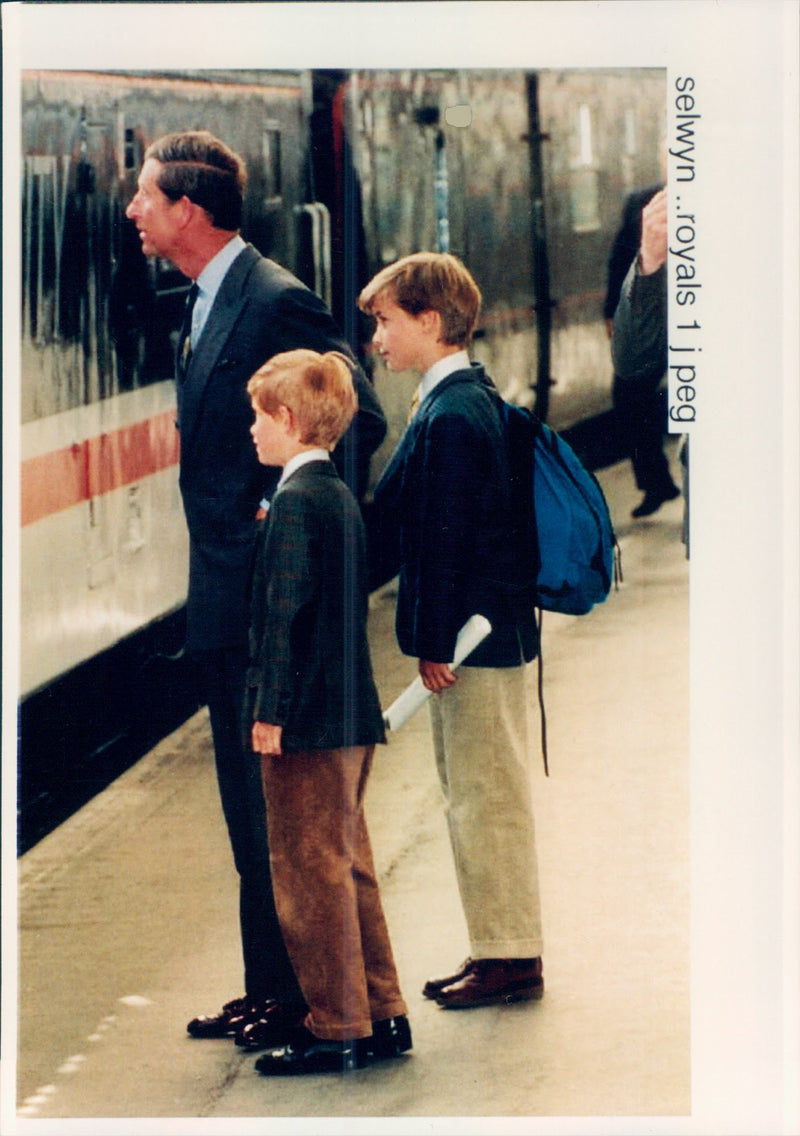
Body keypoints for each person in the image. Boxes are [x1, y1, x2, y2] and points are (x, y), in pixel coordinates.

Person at [125, 131, 387, 1046]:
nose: (133, 212)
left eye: (145, 197)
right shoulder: (206, 301)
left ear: (187, 210)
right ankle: (268, 987)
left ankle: (302, 1000)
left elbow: (362, 413)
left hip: (257, 594)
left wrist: (286, 510)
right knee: (249, 813)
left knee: (275, 816)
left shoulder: (274, 300)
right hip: (224, 599)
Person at [358, 252, 545, 1010]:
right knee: (474, 793)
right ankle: (496, 947)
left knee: (485, 797)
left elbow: (446, 538)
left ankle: (511, 957)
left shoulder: (454, 412)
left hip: (473, 645)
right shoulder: (459, 399)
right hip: (479, 639)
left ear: (429, 322)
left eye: (385, 321)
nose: (377, 339)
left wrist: (432, 641)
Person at [242, 349, 409, 1074]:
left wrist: (267, 712)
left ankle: (337, 1025)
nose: (250, 430)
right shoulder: (337, 494)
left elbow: (283, 619)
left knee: (308, 877)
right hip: (349, 716)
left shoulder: (294, 502)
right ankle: (383, 1013)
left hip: (306, 722)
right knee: (350, 868)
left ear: (286, 420)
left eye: (257, 416)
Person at [612, 187, 689, 555]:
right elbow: (619, 259)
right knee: (630, 395)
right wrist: (649, 262)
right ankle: (656, 481)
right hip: (660, 331)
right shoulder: (650, 208)